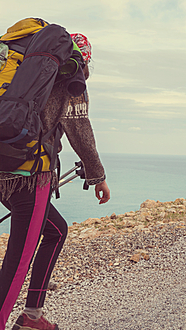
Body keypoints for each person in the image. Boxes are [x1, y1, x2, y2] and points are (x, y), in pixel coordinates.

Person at [0, 33, 110, 330]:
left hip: (4, 170)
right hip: (30, 176)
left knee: (56, 230)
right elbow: (80, 131)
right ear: (83, 58)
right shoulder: (70, 77)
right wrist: (98, 176)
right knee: (18, 260)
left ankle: (32, 315)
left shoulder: (19, 67)